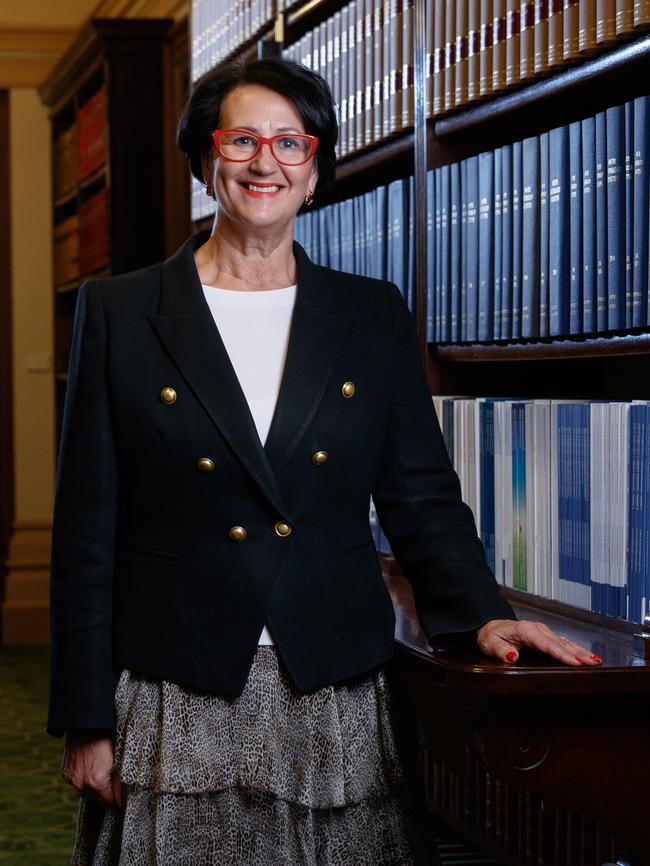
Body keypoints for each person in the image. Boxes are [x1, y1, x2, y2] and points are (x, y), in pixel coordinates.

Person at [49, 57, 601, 866]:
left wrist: (482, 612)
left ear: (315, 172)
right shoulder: (122, 312)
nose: (265, 161)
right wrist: (87, 719)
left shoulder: (369, 315)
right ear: (206, 162)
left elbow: (421, 497)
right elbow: (85, 532)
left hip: (331, 682)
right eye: (241, 139)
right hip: (176, 683)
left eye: (290, 142)